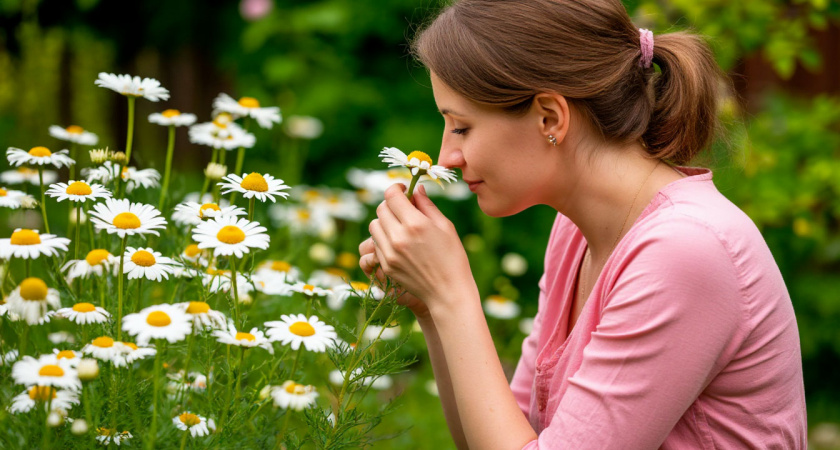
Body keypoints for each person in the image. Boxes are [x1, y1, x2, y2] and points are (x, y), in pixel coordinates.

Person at [358, 0, 808, 448]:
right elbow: (502, 437)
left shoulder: (685, 251)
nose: (446, 159)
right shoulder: (576, 234)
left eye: (461, 127)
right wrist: (432, 307)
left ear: (549, 117)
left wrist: (453, 294)